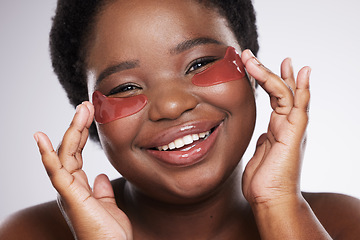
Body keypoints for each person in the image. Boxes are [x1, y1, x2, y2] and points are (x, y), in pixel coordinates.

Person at [1, 0, 359, 239]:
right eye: (125, 87)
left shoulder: (341, 223)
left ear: (253, 71)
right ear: (89, 116)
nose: (171, 106)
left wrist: (280, 206)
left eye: (200, 63)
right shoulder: (26, 233)